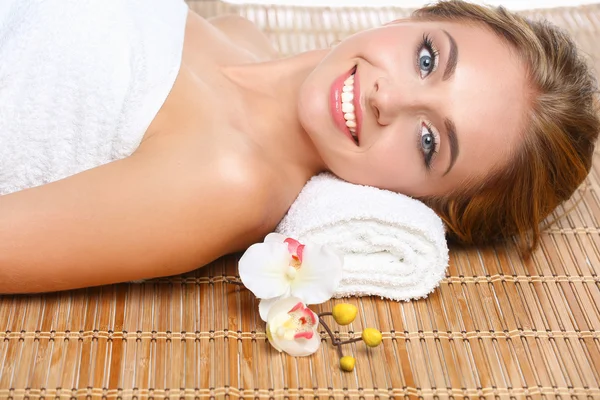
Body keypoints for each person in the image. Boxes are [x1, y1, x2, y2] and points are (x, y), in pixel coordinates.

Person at [0, 0, 597, 294]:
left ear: (426, 206)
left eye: (428, 141)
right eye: (427, 58)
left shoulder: (225, 182)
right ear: (415, 17)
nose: (390, 100)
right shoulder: (240, 35)